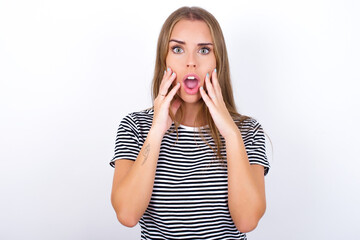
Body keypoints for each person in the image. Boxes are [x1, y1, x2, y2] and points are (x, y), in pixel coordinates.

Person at [109, 6, 270, 240]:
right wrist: (156, 131)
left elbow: (247, 221)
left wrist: (231, 135)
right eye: (178, 49)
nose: (191, 63)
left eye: (204, 50)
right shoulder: (135, 126)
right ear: (164, 59)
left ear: (218, 60)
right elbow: (127, 214)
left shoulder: (247, 131)